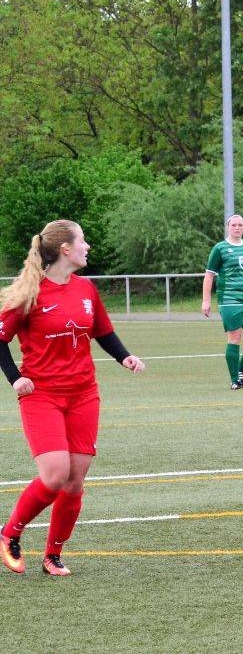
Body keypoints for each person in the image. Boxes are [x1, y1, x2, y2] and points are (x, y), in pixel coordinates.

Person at [0, 220, 146, 576]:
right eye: (83, 240)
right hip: (42, 396)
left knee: (74, 480)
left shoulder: (86, 289)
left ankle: (52, 555)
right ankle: (9, 534)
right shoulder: (30, 292)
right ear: (65, 248)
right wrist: (16, 378)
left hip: (83, 394)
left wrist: (124, 357)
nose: (88, 246)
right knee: (55, 475)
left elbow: (103, 332)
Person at [201, 214, 243, 390]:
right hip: (229, 301)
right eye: (234, 225)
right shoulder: (220, 248)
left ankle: (240, 368)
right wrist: (206, 301)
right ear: (228, 227)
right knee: (234, 338)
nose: (237, 228)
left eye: (240, 225)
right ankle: (234, 381)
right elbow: (209, 275)